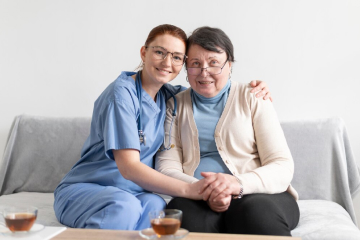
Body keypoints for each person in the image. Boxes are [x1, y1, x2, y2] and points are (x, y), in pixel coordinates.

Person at [53, 24, 272, 230]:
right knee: (124, 208)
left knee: (156, 206)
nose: (167, 63)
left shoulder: (170, 97)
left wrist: (253, 88)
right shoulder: (121, 95)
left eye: (177, 57)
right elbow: (128, 168)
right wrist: (191, 189)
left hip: (134, 193)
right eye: (160, 52)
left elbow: (209, 89)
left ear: (183, 64)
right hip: (89, 189)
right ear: (143, 53)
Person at [155, 26, 300, 236]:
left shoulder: (254, 97)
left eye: (214, 63)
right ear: (187, 68)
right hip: (197, 195)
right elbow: (166, 167)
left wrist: (236, 184)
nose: (204, 72)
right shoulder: (174, 106)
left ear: (229, 65)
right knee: (181, 214)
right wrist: (205, 190)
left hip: (259, 195)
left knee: (253, 212)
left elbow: (282, 165)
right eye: (195, 64)